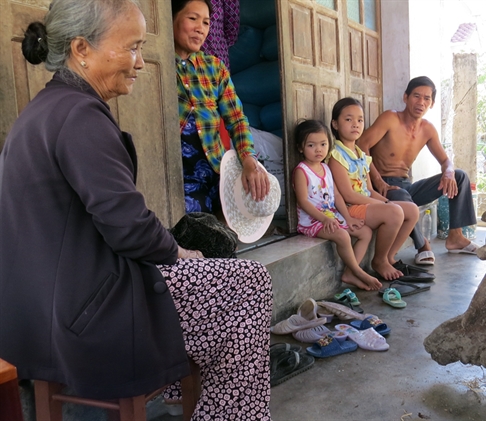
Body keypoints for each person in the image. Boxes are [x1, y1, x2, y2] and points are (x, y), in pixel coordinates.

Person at [0, 1, 272, 420]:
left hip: (40, 312)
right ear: (81, 48)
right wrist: (177, 254)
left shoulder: (44, 109)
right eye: (132, 48)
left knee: (216, 276)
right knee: (248, 281)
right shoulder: (79, 116)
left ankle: (201, 400)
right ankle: (227, 413)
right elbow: (128, 227)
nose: (141, 63)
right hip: (90, 313)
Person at [357, 76, 479, 262]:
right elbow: (362, 144)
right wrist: (377, 181)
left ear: (432, 103)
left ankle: (455, 237)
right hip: (383, 185)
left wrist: (448, 171)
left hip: (406, 186)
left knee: (460, 177)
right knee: (401, 196)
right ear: (405, 97)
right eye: (416, 96)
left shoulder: (427, 129)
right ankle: (422, 245)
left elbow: (446, 160)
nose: (421, 102)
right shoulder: (390, 118)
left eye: (426, 98)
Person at [172, 0, 269, 215]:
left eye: (206, 22)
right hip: (177, 177)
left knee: (242, 208)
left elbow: (236, 118)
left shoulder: (214, 67)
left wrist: (248, 158)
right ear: (171, 18)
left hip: (215, 171)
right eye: (192, 18)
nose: (200, 28)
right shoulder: (157, 66)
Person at [327, 98, 421, 281]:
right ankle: (378, 261)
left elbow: (369, 189)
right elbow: (348, 195)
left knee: (412, 210)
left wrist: (385, 202)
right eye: (348, 119)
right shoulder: (336, 156)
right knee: (394, 212)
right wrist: (385, 204)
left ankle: (388, 257)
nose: (355, 124)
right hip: (349, 209)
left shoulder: (361, 155)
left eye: (360, 120)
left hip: (366, 205)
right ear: (335, 124)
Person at [292, 120, 382, 291]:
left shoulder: (326, 168)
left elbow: (337, 195)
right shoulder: (301, 171)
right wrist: (324, 219)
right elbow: (303, 202)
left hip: (332, 216)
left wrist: (348, 218)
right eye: (311, 145)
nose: (318, 149)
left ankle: (349, 272)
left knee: (365, 232)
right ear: (300, 148)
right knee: (342, 235)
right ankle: (358, 271)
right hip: (313, 221)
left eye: (323, 144)